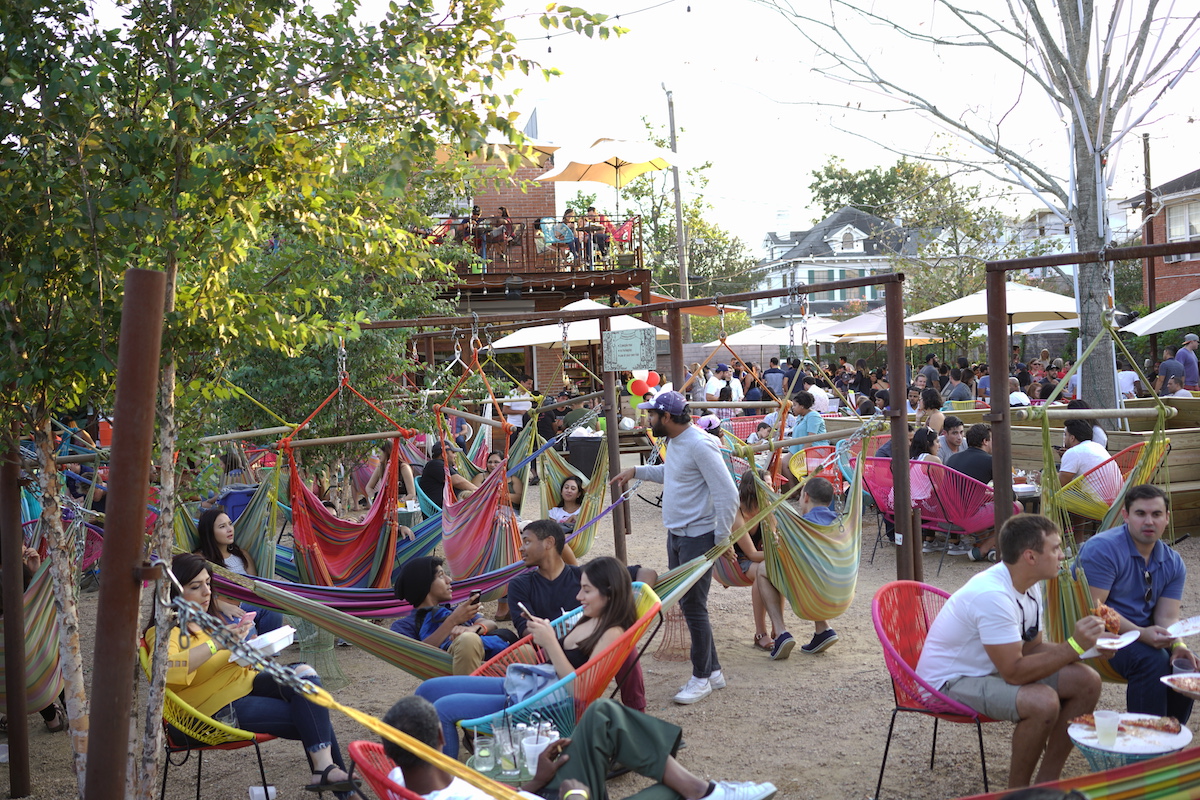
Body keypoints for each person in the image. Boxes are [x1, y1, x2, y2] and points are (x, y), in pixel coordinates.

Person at [915, 515, 1103, 789]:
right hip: (946, 682)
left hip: (990, 670)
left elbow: (1033, 647)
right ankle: (1018, 793)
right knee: (1043, 702)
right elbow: (1014, 672)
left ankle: (1047, 782)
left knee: (1087, 681)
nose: (1062, 555)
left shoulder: (1029, 583)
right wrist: (1073, 645)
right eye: (1055, 549)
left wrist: (1090, 650)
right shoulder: (993, 596)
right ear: (1030, 556)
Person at [149, 553, 356, 794]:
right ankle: (335, 781)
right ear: (174, 592)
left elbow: (223, 662)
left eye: (208, 583)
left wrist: (248, 649)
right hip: (209, 712)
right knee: (312, 714)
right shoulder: (164, 633)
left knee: (305, 675)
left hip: (245, 685)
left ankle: (325, 769)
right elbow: (167, 672)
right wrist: (217, 642)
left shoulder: (206, 623)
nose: (207, 592)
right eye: (196, 587)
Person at [415, 557, 637, 756]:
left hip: (545, 705)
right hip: (533, 684)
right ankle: (416, 761)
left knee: (443, 709)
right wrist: (545, 632)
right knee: (427, 690)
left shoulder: (612, 632)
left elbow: (581, 691)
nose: (579, 596)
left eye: (586, 591)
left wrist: (551, 642)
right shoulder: (591, 616)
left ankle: (441, 783)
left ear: (609, 591)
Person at [382, 695, 778, 800]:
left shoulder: (397, 778)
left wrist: (537, 781)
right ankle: (701, 791)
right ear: (438, 739)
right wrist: (574, 793)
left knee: (600, 716)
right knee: (668, 790)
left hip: (546, 792)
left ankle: (702, 791)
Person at [612, 391, 737, 705]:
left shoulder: (700, 444)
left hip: (699, 537)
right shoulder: (677, 443)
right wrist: (636, 471)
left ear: (666, 417)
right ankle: (715, 671)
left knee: (694, 607)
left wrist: (722, 538)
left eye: (651, 415)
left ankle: (701, 678)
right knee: (691, 605)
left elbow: (727, 493)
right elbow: (674, 475)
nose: (648, 419)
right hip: (677, 535)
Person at [1075, 485, 1198, 722]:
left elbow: (1167, 617)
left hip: (1140, 634)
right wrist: (1143, 634)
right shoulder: (1104, 548)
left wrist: (1178, 645)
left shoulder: (1173, 562)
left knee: (1184, 663)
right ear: (1126, 515)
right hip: (1098, 634)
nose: (1149, 521)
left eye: (1156, 514)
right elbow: (1096, 608)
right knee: (1153, 660)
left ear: (1167, 518)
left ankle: (1169, 739)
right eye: (1141, 514)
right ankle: (1145, 744)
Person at [507, 519, 652, 710]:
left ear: (549, 543)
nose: (521, 548)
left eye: (527, 541)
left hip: (589, 645)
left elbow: (646, 573)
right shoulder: (521, 584)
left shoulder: (584, 577)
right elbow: (526, 633)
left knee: (624, 642)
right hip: (547, 652)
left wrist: (627, 607)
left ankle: (636, 711)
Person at [391, 556, 516, 676]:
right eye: (441, 575)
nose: (449, 580)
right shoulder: (403, 626)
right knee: (468, 640)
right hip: (451, 664)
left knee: (527, 650)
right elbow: (416, 656)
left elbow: (491, 624)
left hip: (485, 659)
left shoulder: (453, 611)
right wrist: (453, 621)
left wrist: (472, 629)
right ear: (424, 583)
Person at [0, 546, 66, 732]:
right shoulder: (18, 578)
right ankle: (61, 715)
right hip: (40, 678)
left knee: (27, 664)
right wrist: (36, 573)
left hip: (7, 696)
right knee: (45, 655)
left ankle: (51, 720)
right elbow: (48, 596)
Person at [193, 507, 285, 635]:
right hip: (217, 608)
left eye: (230, 524)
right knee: (246, 629)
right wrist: (222, 606)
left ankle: (269, 652)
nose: (230, 529)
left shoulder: (243, 555)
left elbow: (255, 587)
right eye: (222, 526)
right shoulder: (200, 560)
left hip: (246, 605)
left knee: (274, 611)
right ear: (209, 532)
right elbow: (193, 594)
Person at [1057, 419, 1115, 487]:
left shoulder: (1073, 452)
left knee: (1049, 492)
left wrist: (1042, 479)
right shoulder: (1098, 447)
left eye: (1066, 435)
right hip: (1118, 495)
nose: (1064, 438)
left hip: (1094, 497)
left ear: (1072, 438)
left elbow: (1059, 485)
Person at [419, 442, 477, 508]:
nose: (456, 456)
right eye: (453, 453)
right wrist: (479, 491)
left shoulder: (444, 466)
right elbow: (458, 482)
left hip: (455, 505)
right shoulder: (435, 464)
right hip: (445, 511)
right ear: (444, 454)